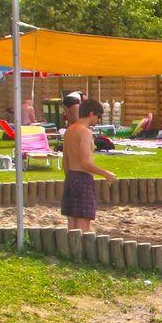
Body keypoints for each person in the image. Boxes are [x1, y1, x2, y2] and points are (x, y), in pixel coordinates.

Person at [61, 97, 101, 233]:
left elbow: (65, 160)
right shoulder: (85, 132)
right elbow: (85, 163)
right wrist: (106, 173)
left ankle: (70, 248)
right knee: (83, 229)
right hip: (83, 178)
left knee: (72, 227)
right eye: (98, 117)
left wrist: (69, 177)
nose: (98, 120)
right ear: (91, 114)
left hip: (70, 177)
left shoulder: (69, 130)